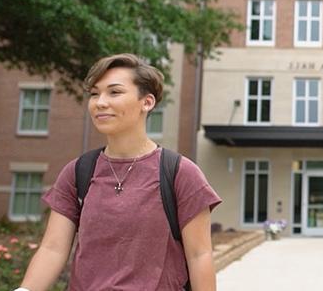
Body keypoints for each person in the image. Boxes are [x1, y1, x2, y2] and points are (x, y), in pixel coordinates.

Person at [18, 53, 221, 290]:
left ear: (147, 102)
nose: (100, 102)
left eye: (114, 92)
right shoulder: (77, 172)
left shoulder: (179, 173)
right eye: (94, 94)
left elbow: (200, 256)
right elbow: (52, 248)